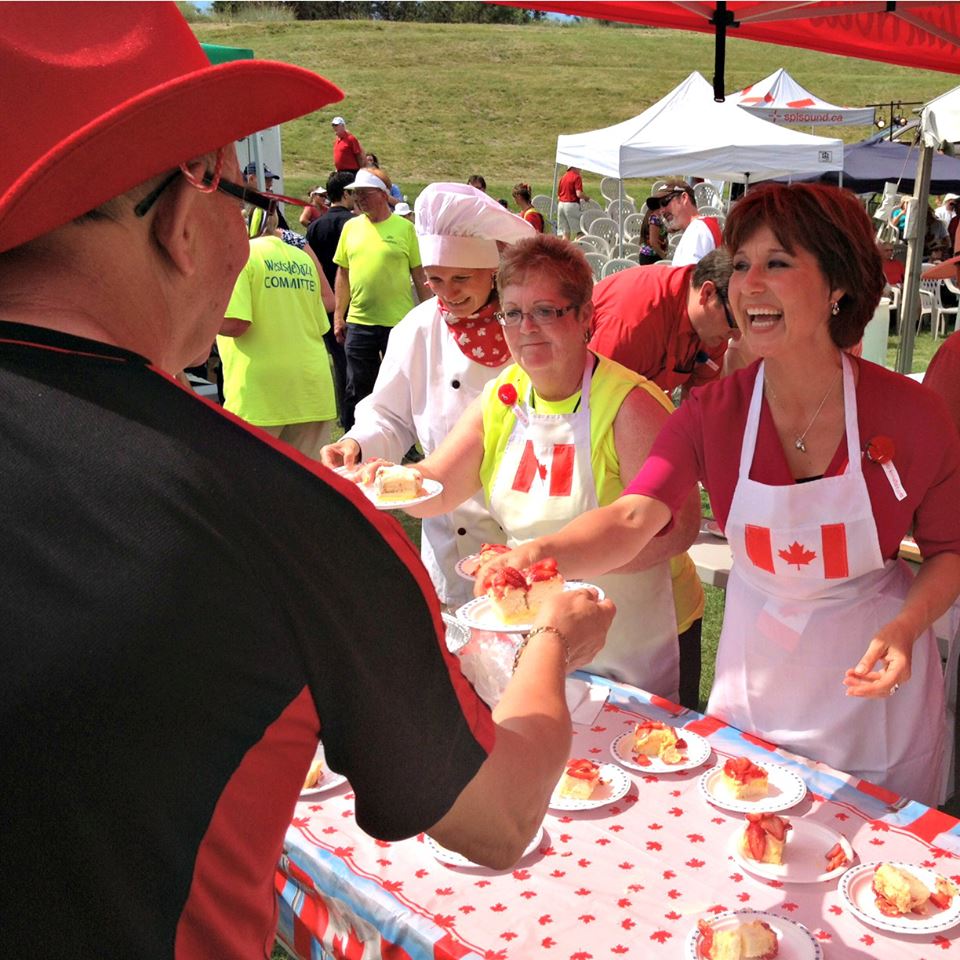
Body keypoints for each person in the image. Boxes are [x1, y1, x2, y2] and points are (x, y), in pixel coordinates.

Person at [0, 5, 616, 956]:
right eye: (248, 203)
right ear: (182, 219)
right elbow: (498, 818)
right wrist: (554, 640)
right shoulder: (273, 514)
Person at [478, 183, 960, 806]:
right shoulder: (714, 412)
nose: (748, 284)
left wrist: (908, 626)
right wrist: (541, 555)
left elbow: (949, 550)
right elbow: (634, 516)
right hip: (756, 681)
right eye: (740, 265)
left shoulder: (912, 413)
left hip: (875, 687)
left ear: (838, 284)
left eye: (776, 263)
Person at [395, 235, 703, 698]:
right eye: (513, 313)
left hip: (638, 629)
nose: (526, 328)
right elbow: (437, 484)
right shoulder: (503, 396)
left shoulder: (630, 404)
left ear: (584, 316)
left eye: (545, 311)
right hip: (535, 622)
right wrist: (381, 480)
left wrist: (549, 570)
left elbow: (678, 529)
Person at [321, 182, 534, 609]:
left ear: (492, 272)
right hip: (449, 536)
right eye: (435, 279)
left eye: (461, 278)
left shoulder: (528, 326)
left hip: (526, 532)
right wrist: (356, 443)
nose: (448, 293)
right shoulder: (417, 329)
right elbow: (389, 415)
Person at [218, 208, 338, 457]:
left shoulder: (242, 255)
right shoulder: (302, 259)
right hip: (312, 389)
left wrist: (195, 319)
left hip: (261, 394)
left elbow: (236, 323)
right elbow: (320, 319)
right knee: (306, 478)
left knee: (250, 478)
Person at [333, 168, 431, 429]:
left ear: (383, 195)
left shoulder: (405, 229)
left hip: (398, 322)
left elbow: (419, 274)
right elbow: (343, 274)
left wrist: (431, 313)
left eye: (365, 193)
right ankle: (356, 438)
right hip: (360, 321)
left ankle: (403, 440)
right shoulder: (350, 227)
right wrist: (339, 315)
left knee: (399, 386)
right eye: (356, 194)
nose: (359, 199)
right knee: (357, 386)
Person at [589, 250, 737, 396]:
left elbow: (699, 402)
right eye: (734, 323)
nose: (736, 336)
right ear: (707, 293)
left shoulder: (713, 330)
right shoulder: (635, 325)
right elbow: (592, 396)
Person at [305, 170, 355, 422]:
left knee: (339, 358)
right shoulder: (355, 225)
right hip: (353, 300)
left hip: (325, 301)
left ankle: (344, 411)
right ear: (345, 194)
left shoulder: (315, 226)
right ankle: (353, 411)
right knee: (356, 360)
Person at [646, 179, 721, 267]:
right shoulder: (703, 226)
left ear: (684, 198)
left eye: (664, 202)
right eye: (659, 206)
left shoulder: (697, 231)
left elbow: (688, 274)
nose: (661, 210)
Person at [557, 165, 588, 240]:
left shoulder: (563, 177)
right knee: (581, 231)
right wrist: (587, 198)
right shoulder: (577, 177)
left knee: (565, 232)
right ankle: (575, 246)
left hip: (561, 205)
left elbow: (558, 195)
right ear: (575, 166)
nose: (580, 169)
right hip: (571, 205)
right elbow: (579, 194)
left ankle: (564, 247)